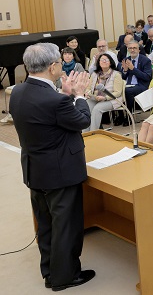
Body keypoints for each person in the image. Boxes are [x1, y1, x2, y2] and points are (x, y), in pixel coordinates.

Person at [10, 43, 96, 291]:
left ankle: (49, 271)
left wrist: (66, 96)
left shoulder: (18, 91)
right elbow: (82, 120)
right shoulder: (55, 100)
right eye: (59, 60)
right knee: (65, 227)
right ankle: (64, 277)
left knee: (46, 224)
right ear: (53, 67)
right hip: (60, 173)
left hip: (35, 169)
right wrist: (78, 96)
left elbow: (48, 119)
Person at [83, 53, 123, 132]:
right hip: (95, 98)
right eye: (101, 60)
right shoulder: (95, 74)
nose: (104, 61)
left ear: (110, 62)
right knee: (86, 108)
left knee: (97, 109)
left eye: (106, 60)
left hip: (111, 99)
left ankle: (93, 133)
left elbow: (118, 92)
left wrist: (105, 97)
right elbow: (87, 87)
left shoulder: (116, 74)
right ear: (99, 62)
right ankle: (85, 133)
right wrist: (87, 93)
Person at [119, 40, 153, 112]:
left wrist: (133, 69)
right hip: (127, 84)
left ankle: (129, 115)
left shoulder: (146, 60)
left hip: (140, 85)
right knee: (116, 90)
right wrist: (125, 71)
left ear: (139, 50)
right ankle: (120, 116)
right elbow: (122, 77)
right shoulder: (126, 59)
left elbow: (147, 77)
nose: (132, 50)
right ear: (128, 50)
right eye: (130, 48)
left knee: (128, 91)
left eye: (134, 48)